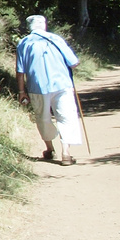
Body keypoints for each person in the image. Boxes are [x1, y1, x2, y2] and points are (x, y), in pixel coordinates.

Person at [15, 14, 83, 165]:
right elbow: (74, 62)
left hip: (37, 87)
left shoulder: (23, 43)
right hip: (62, 84)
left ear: (29, 27)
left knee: (43, 117)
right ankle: (66, 153)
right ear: (44, 25)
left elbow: (20, 71)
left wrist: (21, 92)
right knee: (66, 116)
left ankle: (49, 149)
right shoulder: (56, 39)